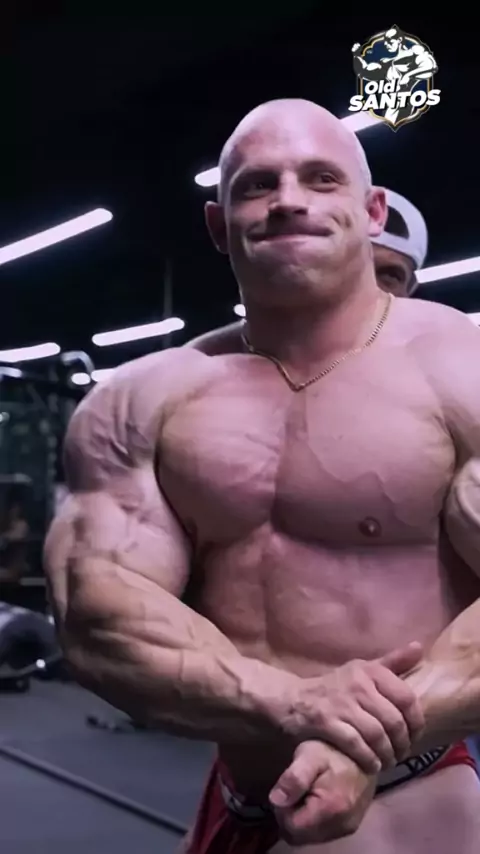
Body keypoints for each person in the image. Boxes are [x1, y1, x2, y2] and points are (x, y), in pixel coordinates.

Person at [43, 98, 480, 854]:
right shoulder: (146, 398)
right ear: (219, 226)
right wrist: (295, 703)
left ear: (372, 211)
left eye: (320, 178)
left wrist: (367, 743)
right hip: (237, 796)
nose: (288, 200)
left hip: (409, 795)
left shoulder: (460, 369)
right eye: (257, 185)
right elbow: (96, 614)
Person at [185, 187, 427, 356]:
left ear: (410, 289)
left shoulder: (436, 370)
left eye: (388, 276)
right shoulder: (204, 365)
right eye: (347, 265)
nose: (363, 287)